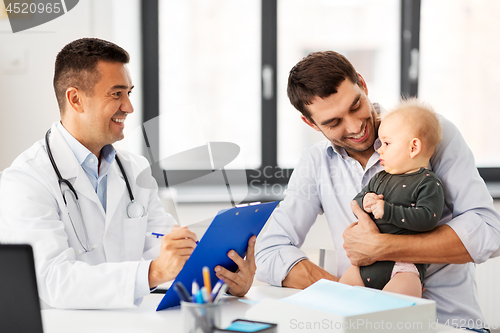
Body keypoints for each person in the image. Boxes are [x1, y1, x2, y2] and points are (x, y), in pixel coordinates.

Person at [0, 38, 254, 309]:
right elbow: (54, 280)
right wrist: (152, 272)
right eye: (116, 94)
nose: (129, 107)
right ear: (75, 99)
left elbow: (165, 247)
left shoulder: (134, 170)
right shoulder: (26, 181)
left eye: (129, 93)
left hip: (130, 321)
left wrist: (222, 275)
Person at [255, 51, 500, 331]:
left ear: (362, 83)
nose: (355, 126)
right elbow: (269, 250)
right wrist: (351, 298)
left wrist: (383, 248)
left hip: (447, 324)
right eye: (333, 122)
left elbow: (488, 231)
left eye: (356, 105)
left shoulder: (429, 134)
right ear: (310, 123)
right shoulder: (315, 162)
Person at [339, 99, 444, 297]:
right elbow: (358, 199)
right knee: (339, 301)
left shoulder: (428, 182)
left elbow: (428, 218)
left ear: (413, 148)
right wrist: (366, 200)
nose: (379, 149)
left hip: (402, 267)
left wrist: (388, 210)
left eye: (386, 143)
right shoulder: (380, 177)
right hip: (365, 265)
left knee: (392, 318)